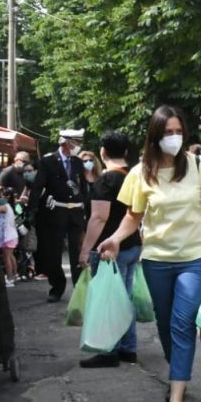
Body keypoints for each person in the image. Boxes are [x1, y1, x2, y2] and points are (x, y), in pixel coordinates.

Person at [98, 107, 201, 402]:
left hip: (196, 258)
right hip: (157, 261)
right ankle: (178, 374)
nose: (174, 138)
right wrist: (116, 238)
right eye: (167, 132)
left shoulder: (198, 165)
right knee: (165, 326)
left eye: (179, 131)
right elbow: (133, 216)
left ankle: (176, 399)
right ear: (155, 137)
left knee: (182, 322)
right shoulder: (140, 173)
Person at [78, 131, 141, 368]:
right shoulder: (134, 176)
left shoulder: (105, 181)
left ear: (102, 152)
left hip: (109, 250)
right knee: (124, 297)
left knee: (108, 300)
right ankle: (128, 348)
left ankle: (109, 350)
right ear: (125, 152)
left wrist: (85, 250)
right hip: (133, 244)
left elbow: (98, 218)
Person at [28, 129, 90, 302]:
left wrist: (87, 211)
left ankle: (79, 287)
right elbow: (38, 187)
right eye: (75, 142)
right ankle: (57, 286)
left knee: (77, 251)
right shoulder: (47, 162)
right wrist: (32, 211)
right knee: (54, 253)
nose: (78, 146)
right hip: (56, 213)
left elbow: (83, 188)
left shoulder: (78, 163)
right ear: (66, 142)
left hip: (76, 213)